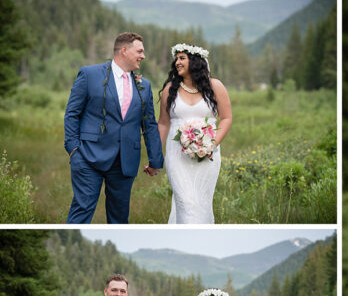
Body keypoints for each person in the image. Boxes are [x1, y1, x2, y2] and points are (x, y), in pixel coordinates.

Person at [63, 32, 163, 224]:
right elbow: (72, 114)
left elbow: (149, 123)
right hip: (88, 156)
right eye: (139, 51)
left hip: (125, 161)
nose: (143, 56)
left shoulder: (145, 85)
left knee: (119, 218)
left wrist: (155, 159)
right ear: (124, 50)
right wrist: (73, 150)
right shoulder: (89, 74)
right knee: (82, 212)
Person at [158, 43, 233, 224]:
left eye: (182, 58)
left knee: (202, 202)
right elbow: (163, 123)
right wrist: (154, 156)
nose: (177, 62)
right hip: (177, 155)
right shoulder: (170, 89)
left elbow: (226, 118)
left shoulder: (215, 86)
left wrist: (211, 145)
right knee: (185, 201)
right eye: (176, 58)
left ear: (196, 61)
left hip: (207, 156)